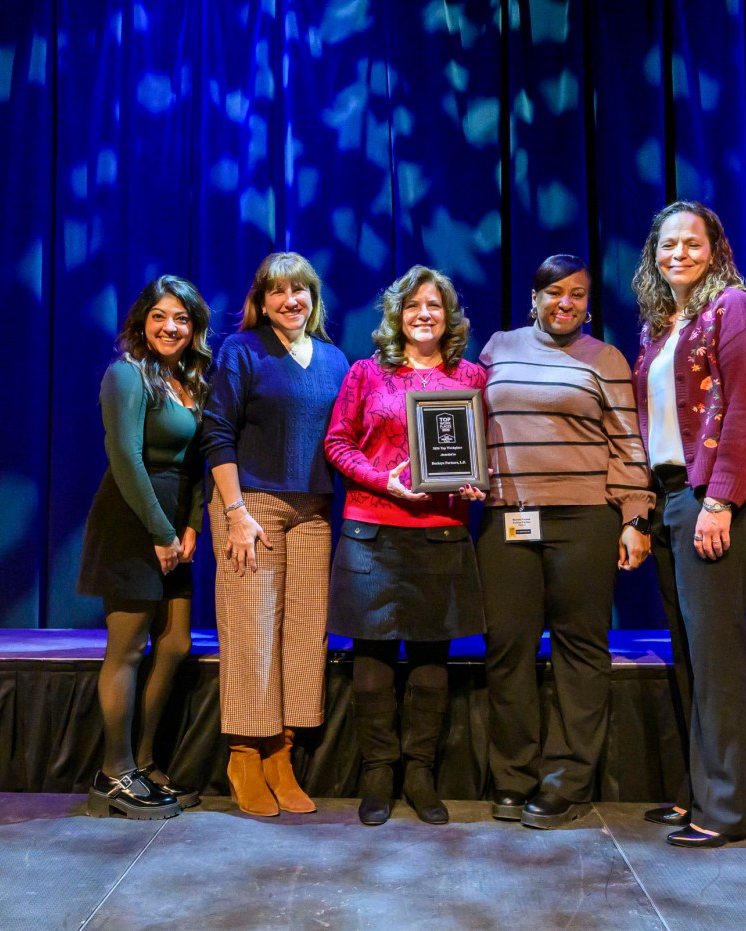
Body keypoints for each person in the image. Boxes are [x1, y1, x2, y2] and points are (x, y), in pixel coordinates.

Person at [477, 254, 654, 829]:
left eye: (577, 295)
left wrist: (635, 516)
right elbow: (471, 428)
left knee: (580, 649)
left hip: (584, 521)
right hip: (508, 520)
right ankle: (512, 776)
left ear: (588, 303)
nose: (565, 303)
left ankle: (565, 781)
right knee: (508, 649)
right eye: (554, 293)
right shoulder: (498, 349)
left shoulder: (605, 359)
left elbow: (629, 445)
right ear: (534, 298)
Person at [631, 201, 746, 848]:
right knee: (692, 653)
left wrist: (719, 500)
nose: (679, 254)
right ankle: (698, 790)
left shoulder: (735, 309)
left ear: (715, 249)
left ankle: (726, 808)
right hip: (672, 494)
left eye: (692, 243)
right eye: (668, 245)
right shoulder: (664, 325)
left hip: (715, 492)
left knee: (715, 654)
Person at [323, 265, 488, 826]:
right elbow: (338, 444)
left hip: (440, 532)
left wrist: (476, 480)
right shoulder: (367, 373)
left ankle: (420, 773)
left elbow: (482, 453)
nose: (424, 314)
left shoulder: (471, 377)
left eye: (435, 306)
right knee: (371, 654)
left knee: (431, 656)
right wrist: (382, 480)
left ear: (449, 317)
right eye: (414, 305)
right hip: (371, 530)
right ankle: (377, 773)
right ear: (397, 315)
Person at [201, 252, 350, 816]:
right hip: (252, 503)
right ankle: (245, 754)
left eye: (302, 291)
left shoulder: (336, 360)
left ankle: (281, 755)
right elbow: (217, 432)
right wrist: (235, 510)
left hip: (313, 509)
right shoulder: (243, 351)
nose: (292, 301)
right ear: (261, 302)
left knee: (306, 633)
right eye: (278, 292)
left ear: (314, 298)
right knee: (252, 631)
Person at [80, 275, 213, 820]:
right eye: (159, 316)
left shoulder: (188, 381)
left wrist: (191, 528)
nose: (170, 327)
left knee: (177, 643)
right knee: (129, 650)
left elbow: (195, 466)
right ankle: (114, 774)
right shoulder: (127, 375)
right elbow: (126, 459)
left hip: (172, 523)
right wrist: (160, 532)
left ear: (194, 327)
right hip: (132, 520)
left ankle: (146, 761)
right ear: (142, 322)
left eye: (180, 318)